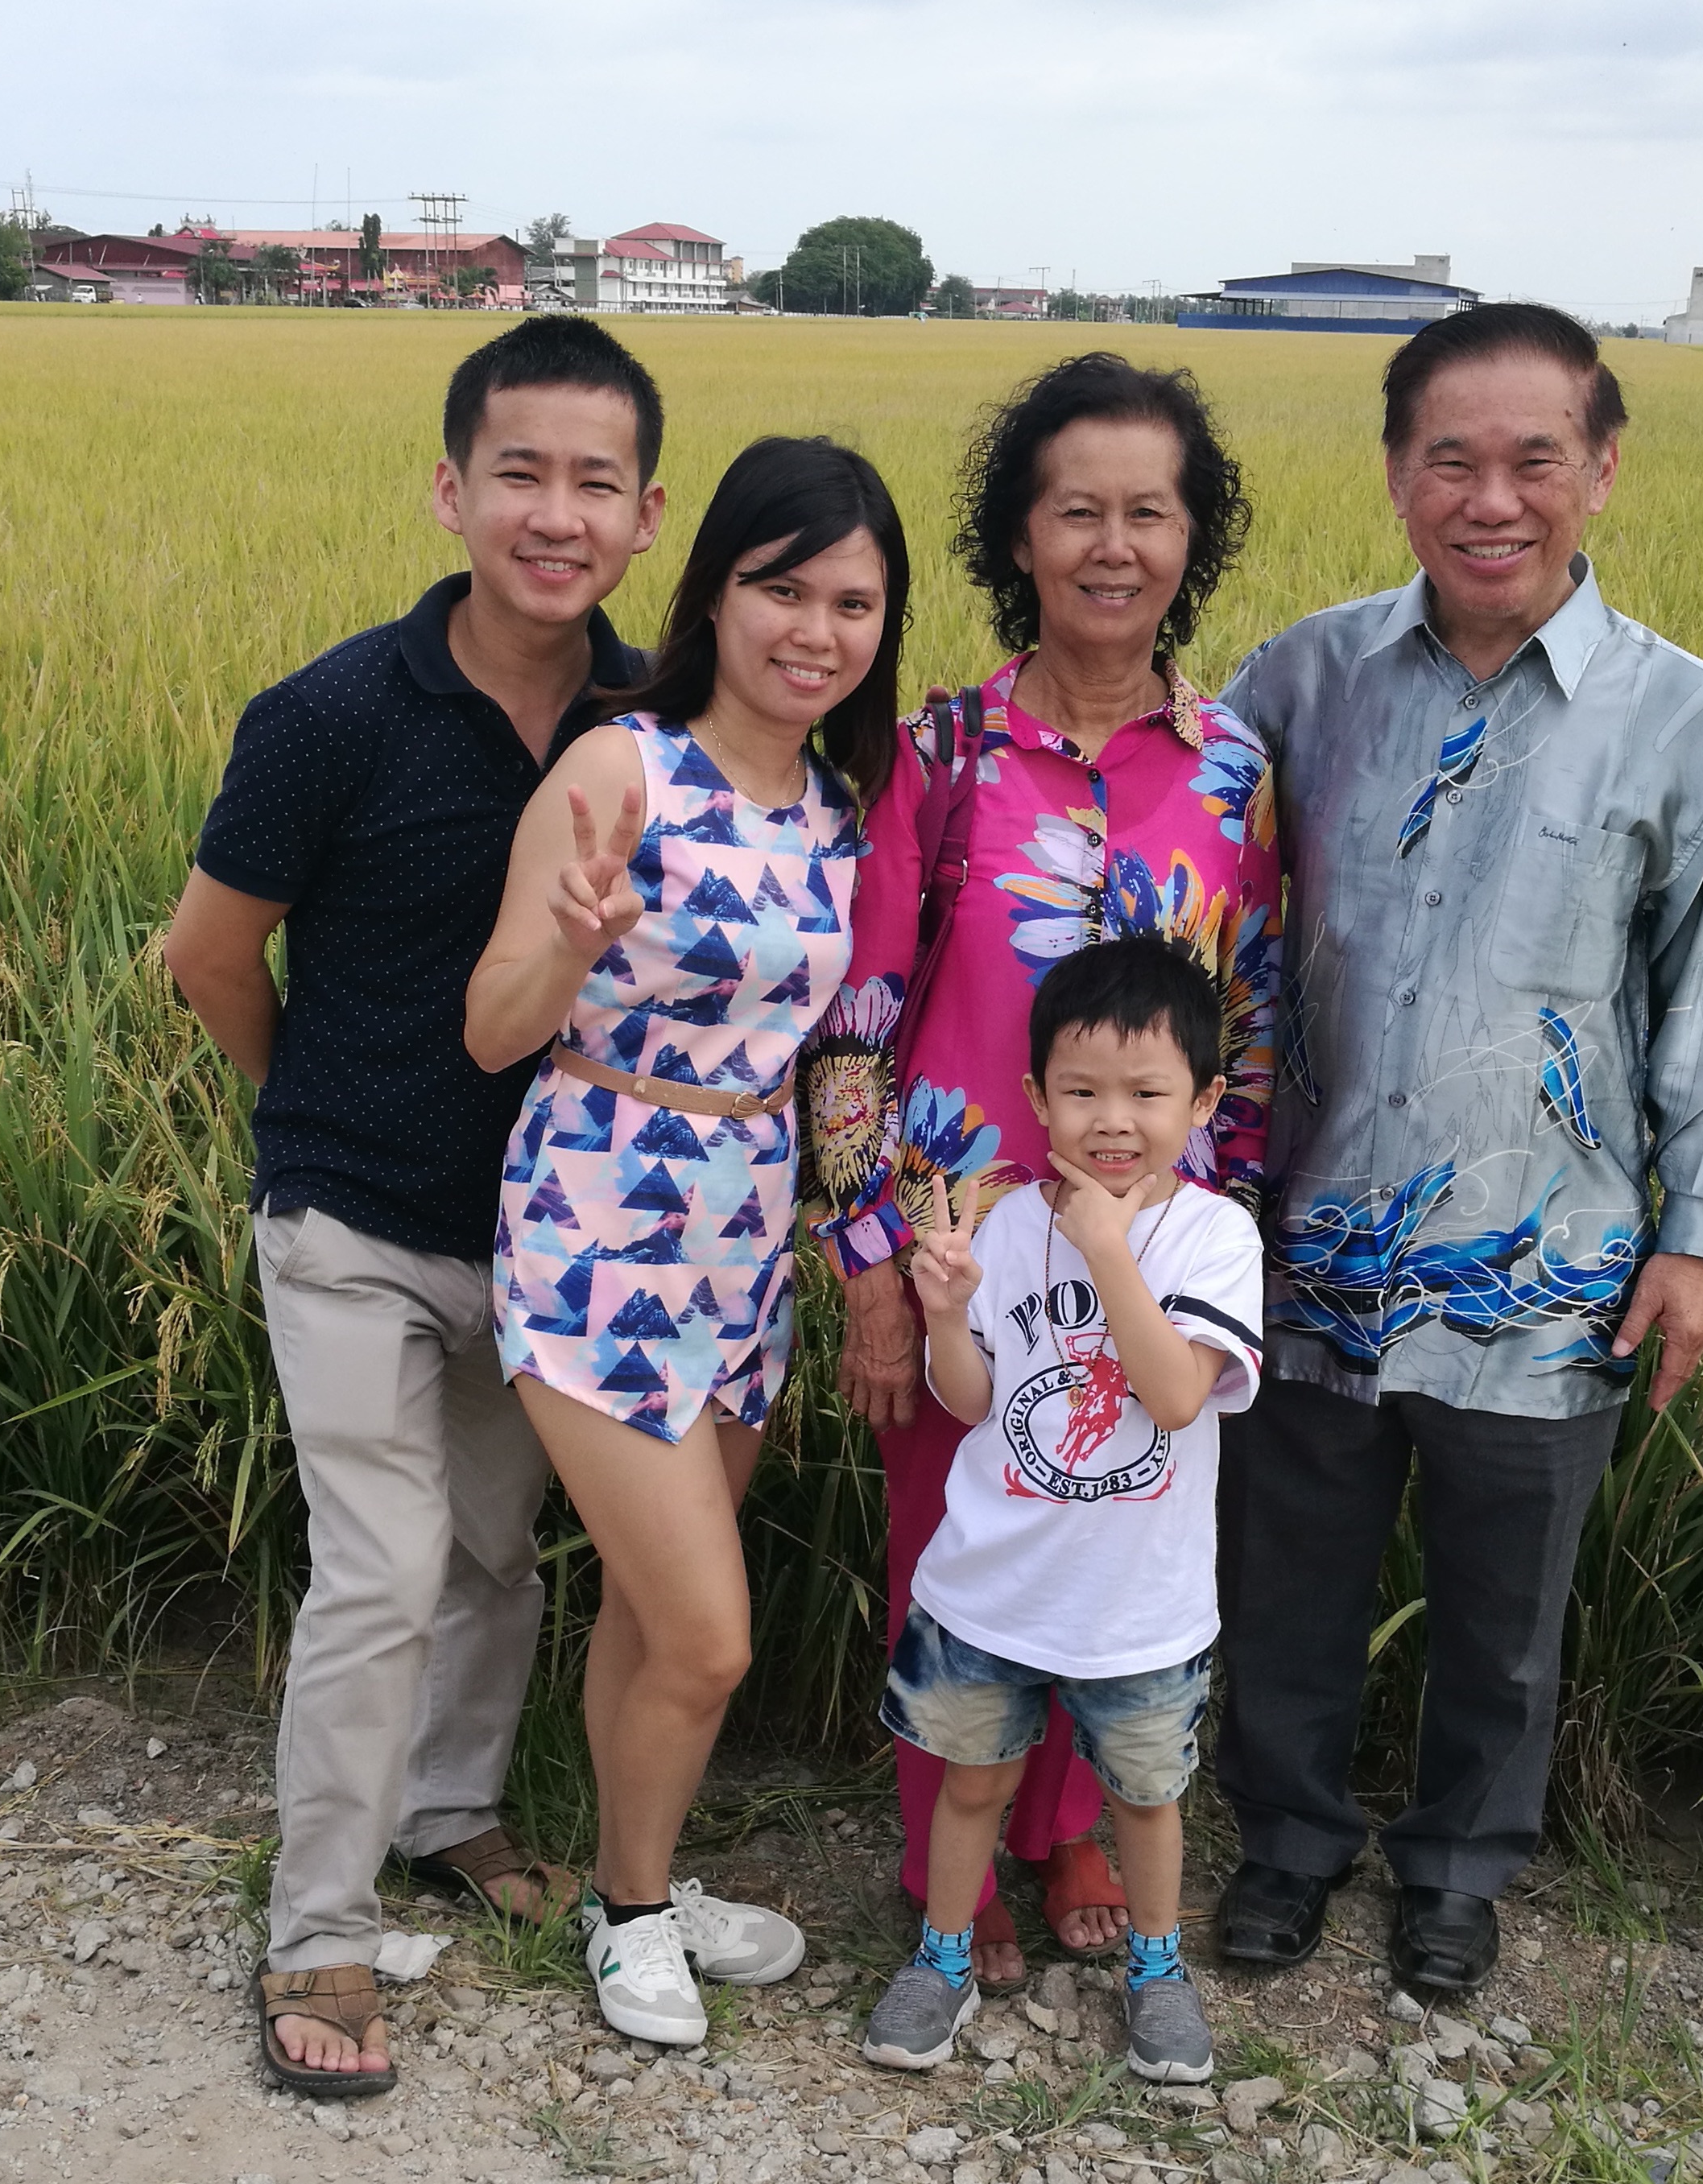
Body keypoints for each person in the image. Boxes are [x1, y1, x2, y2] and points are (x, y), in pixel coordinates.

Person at [1212, 303, 1703, 2000]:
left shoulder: (1681, 720)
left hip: (1549, 1252)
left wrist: (1694, 1236)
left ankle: (1456, 1871)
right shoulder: (1298, 678)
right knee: (1285, 1577)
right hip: (1304, 1235)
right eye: (1448, 457)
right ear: (1394, 474)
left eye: (1534, 457)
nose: (1490, 496)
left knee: (1504, 1610)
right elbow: (1206, 928)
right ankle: (1288, 1846)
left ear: (1598, 469)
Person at [163, 316, 666, 2095]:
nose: (554, 512)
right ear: (452, 488)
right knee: (379, 1566)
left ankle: (448, 1810)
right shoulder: (327, 718)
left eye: (592, 482)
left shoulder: (651, 721)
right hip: (352, 1221)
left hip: (545, 1237)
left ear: (646, 512)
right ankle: (315, 1923)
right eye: (517, 473)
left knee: (488, 1555)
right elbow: (208, 956)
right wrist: (308, 1117)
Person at [798, 353, 1279, 1987]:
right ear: (1019, 533)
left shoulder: (1230, 767)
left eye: (1149, 510)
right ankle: (957, 1837)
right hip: (959, 1237)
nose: (1111, 543)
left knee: (1121, 1526)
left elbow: (1254, 1013)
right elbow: (856, 1016)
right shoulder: (939, 750)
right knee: (955, 1539)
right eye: (1075, 507)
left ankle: (1069, 1825)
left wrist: (1231, 1233)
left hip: (1149, 1242)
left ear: (1189, 538)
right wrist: (868, 1261)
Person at [468, 435, 909, 2043]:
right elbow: (489, 1028)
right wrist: (569, 942)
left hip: (739, 1243)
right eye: (778, 586)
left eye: (850, 599)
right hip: (593, 1224)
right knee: (712, 1634)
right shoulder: (617, 768)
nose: (813, 626)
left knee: (658, 1619)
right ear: (712, 591)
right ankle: (637, 1917)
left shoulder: (842, 807)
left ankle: (626, 1880)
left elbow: (835, 1051)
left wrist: (879, 1233)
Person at [858, 936, 1263, 2083]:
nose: (1112, 1121)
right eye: (1081, 1092)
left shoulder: (1211, 1236)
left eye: (1146, 1093)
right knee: (970, 1778)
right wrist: (943, 1313)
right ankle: (940, 1951)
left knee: (1142, 1796)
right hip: (993, 1583)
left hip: (1138, 1605)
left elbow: (1178, 1392)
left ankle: (1155, 1965)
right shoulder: (1003, 1221)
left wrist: (1108, 1251)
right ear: (1037, 1098)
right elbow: (974, 1398)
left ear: (1201, 1103)